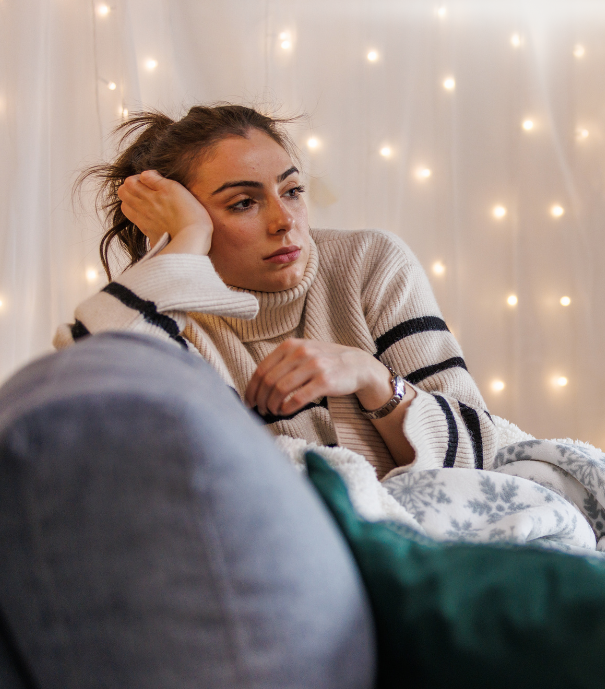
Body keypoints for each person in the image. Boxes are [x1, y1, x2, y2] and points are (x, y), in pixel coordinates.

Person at [59, 104, 509, 476]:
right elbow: (88, 402)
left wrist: (371, 377)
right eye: (243, 203)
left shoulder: (369, 263)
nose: (284, 221)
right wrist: (186, 242)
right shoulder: (165, 316)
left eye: (292, 190)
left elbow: (479, 457)